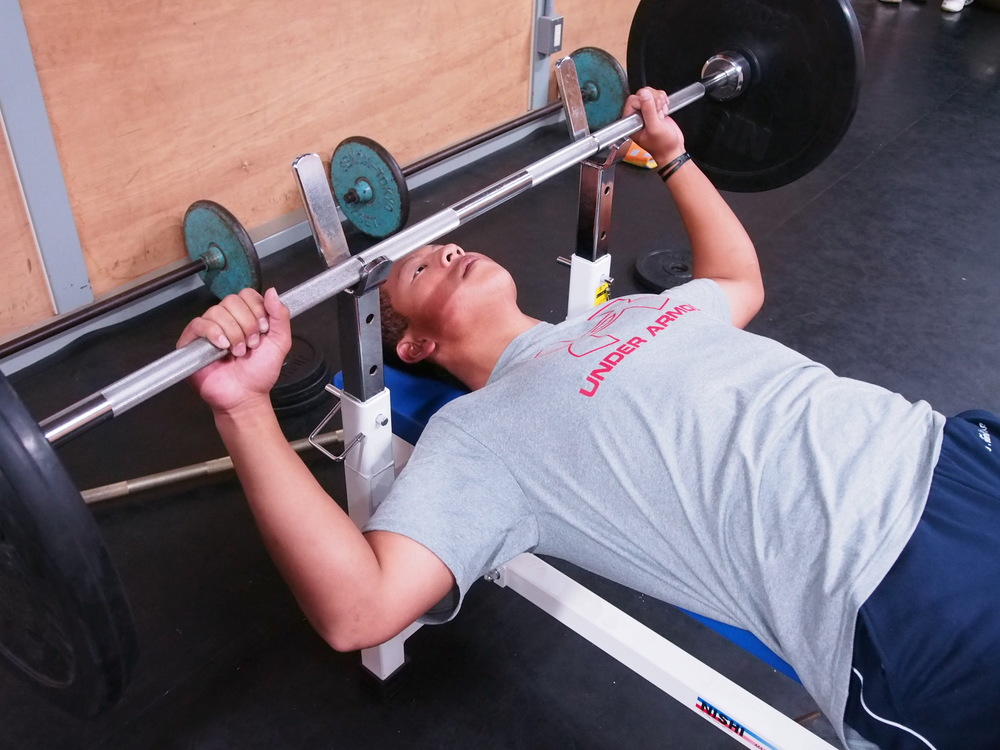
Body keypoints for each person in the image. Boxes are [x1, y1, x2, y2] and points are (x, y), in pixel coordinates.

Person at [178, 88, 1000, 750]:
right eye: (420, 269)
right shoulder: (478, 437)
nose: (448, 251)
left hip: (950, 450)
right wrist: (244, 407)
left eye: (444, 246)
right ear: (416, 344)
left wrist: (673, 154)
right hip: (879, 581)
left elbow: (738, 281)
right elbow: (360, 610)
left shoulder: (627, 310)